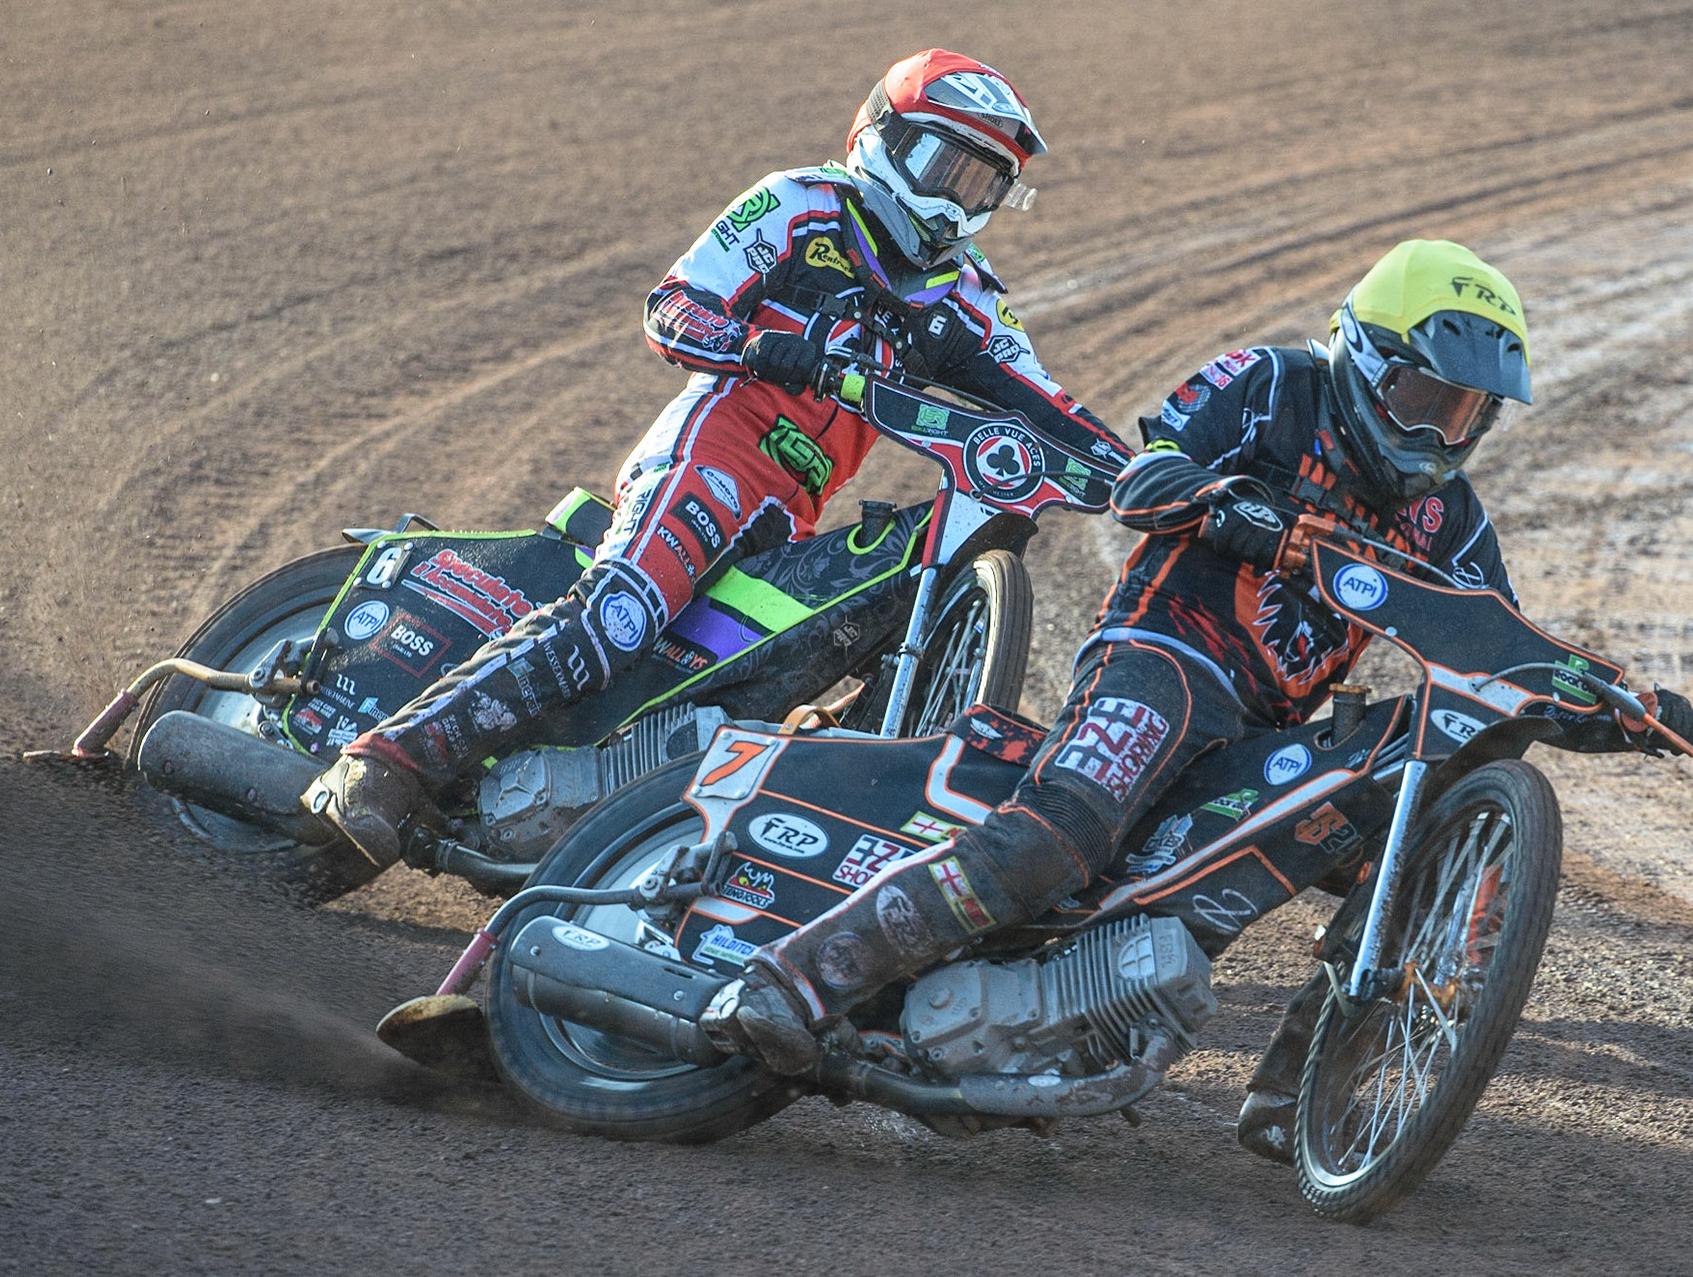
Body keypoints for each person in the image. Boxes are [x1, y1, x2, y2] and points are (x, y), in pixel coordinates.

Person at [702, 239, 1693, 1162]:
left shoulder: (1450, 515)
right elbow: (1141, 481)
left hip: (1262, 732)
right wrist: (1249, 518)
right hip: (1163, 656)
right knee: (1058, 838)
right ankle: (797, 975)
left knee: (1425, 806)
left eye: (1463, 412)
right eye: (1417, 395)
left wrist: (1621, 706)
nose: (1438, 429)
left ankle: (1299, 1091)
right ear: (1362, 356)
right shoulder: (1270, 384)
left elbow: (1497, 649)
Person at [304, 50, 1130, 865]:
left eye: (984, 181)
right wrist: (767, 348)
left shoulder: (969, 294)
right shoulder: (800, 204)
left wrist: (1153, 477)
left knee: (773, 681)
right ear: (884, 134)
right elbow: (671, 308)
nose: (959, 195)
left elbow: (1050, 405)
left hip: (790, 511)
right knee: (616, 615)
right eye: (946, 163)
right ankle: (383, 760)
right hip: (714, 452)